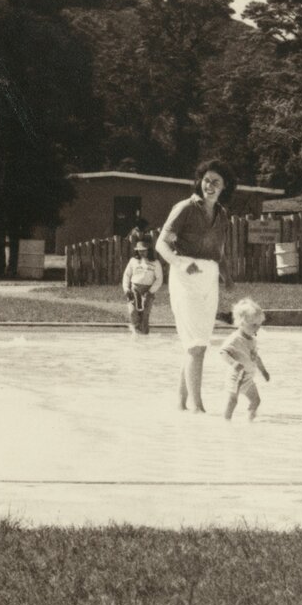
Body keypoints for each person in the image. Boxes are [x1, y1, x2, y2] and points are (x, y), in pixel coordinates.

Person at [157, 158, 234, 412]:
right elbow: (161, 244)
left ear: (224, 187)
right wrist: (178, 263)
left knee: (197, 344)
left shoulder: (222, 215)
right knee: (197, 345)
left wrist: (226, 275)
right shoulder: (185, 208)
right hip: (185, 277)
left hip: (209, 279)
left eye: (216, 182)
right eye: (206, 180)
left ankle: (180, 403)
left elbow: (218, 252)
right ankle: (198, 407)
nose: (209, 186)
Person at [218, 297, 271, 420]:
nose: (257, 328)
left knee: (256, 401)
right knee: (232, 401)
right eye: (253, 325)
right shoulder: (235, 339)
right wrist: (233, 363)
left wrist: (263, 371)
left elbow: (255, 357)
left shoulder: (252, 340)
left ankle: (250, 421)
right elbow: (222, 352)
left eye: (259, 325)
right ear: (241, 323)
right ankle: (226, 421)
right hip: (236, 376)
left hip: (248, 378)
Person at [121, 242, 162, 335]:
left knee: (145, 315)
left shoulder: (155, 262)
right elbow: (126, 275)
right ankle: (136, 335)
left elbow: (159, 279)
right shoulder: (133, 261)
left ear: (149, 251)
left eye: (144, 251)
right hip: (134, 289)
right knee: (133, 312)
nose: (142, 253)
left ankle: (144, 337)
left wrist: (151, 291)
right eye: (139, 251)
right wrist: (126, 289)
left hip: (148, 290)